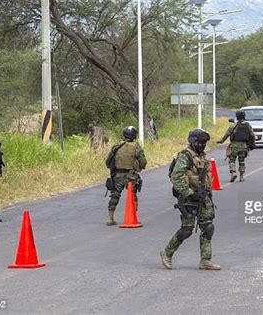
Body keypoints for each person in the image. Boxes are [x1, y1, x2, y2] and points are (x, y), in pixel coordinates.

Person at [161, 129, 220, 270]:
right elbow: (177, 176)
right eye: (200, 143)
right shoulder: (184, 156)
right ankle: (167, 253)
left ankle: (205, 260)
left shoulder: (202, 157)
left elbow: (206, 176)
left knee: (208, 227)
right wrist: (188, 192)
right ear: (193, 142)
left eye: (204, 143)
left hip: (203, 197)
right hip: (189, 198)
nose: (202, 145)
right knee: (186, 230)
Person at [105, 126, 147, 226]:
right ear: (134, 135)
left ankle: (110, 217)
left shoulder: (116, 146)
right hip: (131, 175)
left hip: (117, 175)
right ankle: (132, 217)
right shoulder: (136, 147)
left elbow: (108, 162)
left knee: (115, 195)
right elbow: (143, 162)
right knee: (132, 196)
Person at [217, 110, 255, 182]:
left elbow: (227, 134)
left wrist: (221, 141)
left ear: (237, 116)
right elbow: (252, 135)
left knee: (232, 160)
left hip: (234, 145)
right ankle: (241, 177)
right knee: (242, 161)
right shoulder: (248, 125)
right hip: (244, 146)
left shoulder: (233, 125)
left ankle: (233, 173)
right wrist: (252, 144)